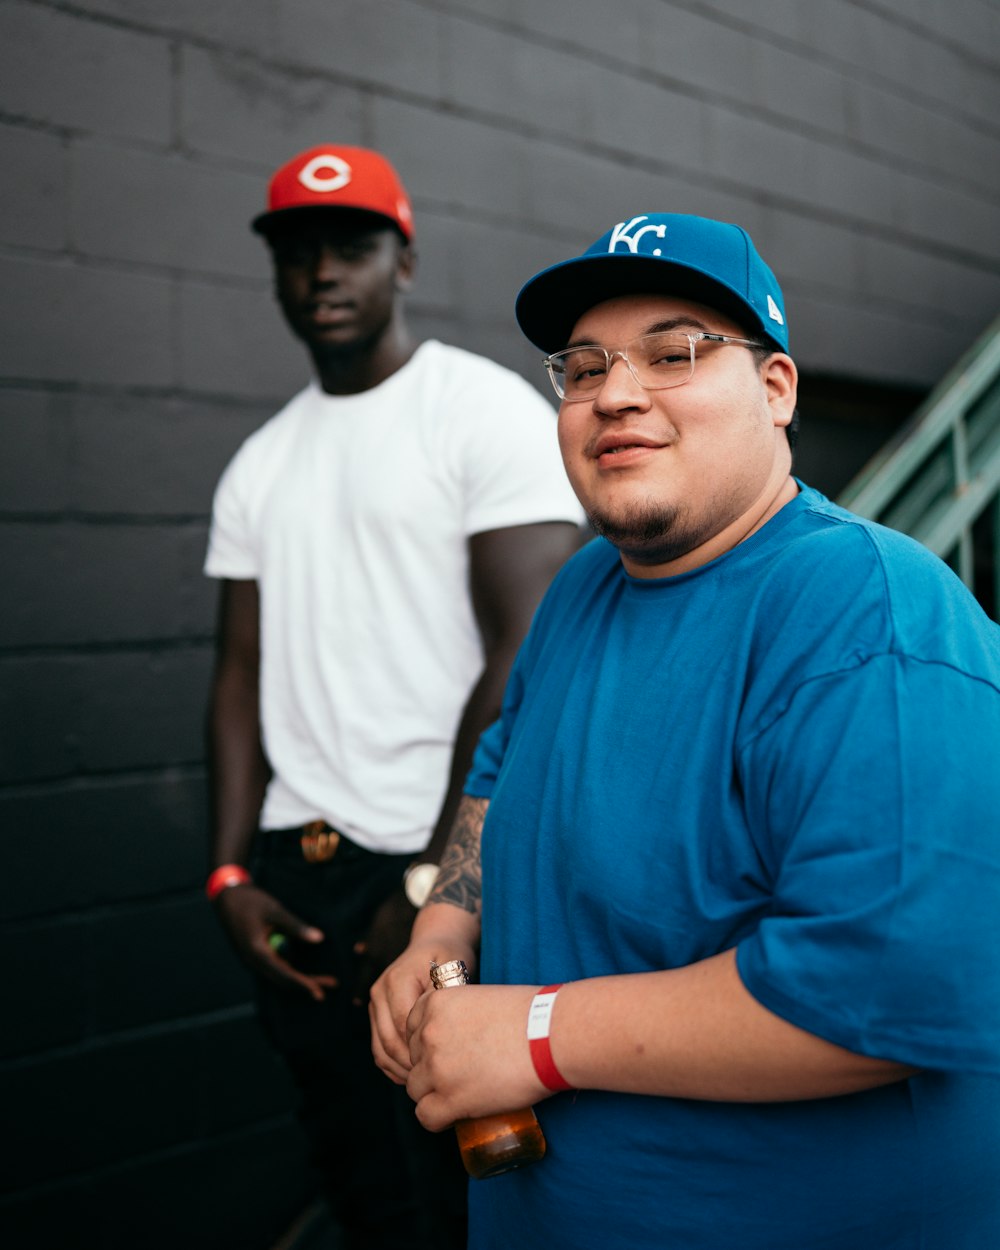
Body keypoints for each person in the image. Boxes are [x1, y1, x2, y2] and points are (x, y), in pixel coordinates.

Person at [370, 212, 1000, 1249]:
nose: (614, 393)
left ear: (776, 388)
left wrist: (529, 1034)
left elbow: (888, 980)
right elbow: (501, 763)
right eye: (581, 368)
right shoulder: (584, 586)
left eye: (673, 353)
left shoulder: (869, 611)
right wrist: (439, 932)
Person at [203, 143, 583, 1250]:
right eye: (297, 251)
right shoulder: (258, 464)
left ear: (401, 259)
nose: (322, 272)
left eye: (351, 245)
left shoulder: (478, 411)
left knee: (469, 1185)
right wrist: (228, 874)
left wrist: (429, 881)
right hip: (297, 879)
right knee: (357, 1176)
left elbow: (526, 647)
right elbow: (235, 677)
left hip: (442, 872)